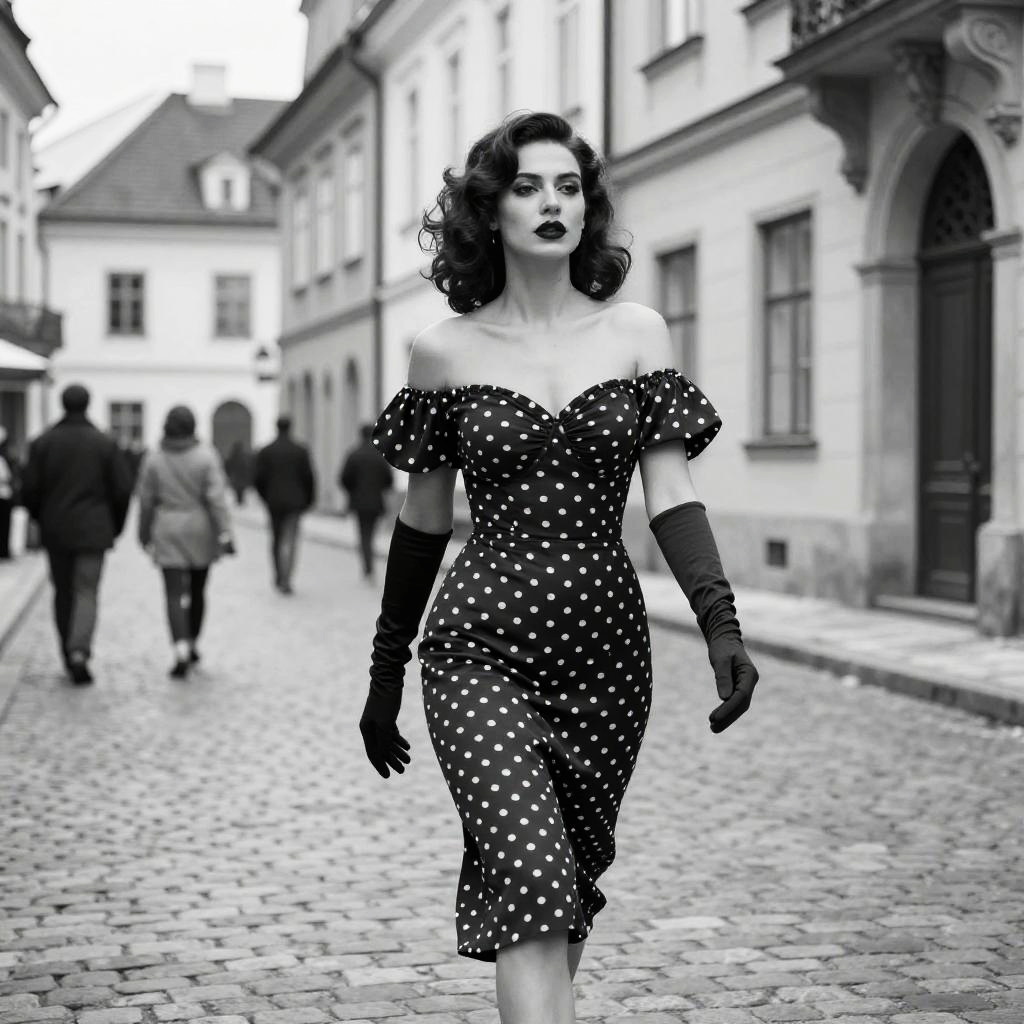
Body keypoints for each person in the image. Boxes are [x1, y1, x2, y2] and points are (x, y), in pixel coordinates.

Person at [360, 112, 759, 1024]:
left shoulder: (636, 332)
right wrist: (389, 671)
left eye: (569, 187)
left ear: (588, 209)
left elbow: (670, 492)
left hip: (606, 660)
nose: (552, 203)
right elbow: (420, 528)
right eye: (529, 186)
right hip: (478, 653)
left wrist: (720, 625)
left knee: (565, 897)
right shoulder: (443, 351)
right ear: (488, 210)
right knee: (535, 882)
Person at [20, 383, 133, 684]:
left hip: (56, 527)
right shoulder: (104, 444)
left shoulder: (43, 443)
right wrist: (115, 525)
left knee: (63, 591)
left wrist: (40, 516)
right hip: (94, 529)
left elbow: (29, 490)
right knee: (86, 591)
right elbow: (123, 490)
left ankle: (66, 652)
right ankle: (79, 649)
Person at [136, 405, 236, 679]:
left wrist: (142, 533)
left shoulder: (155, 458)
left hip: (167, 526)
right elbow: (217, 499)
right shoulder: (206, 456)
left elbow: (145, 501)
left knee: (172, 593)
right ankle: (192, 641)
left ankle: (179, 648)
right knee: (198, 589)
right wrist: (225, 532)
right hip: (199, 527)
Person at [253, 414, 316, 594]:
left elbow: (258, 479)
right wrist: (309, 499)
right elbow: (309, 478)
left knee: (276, 539)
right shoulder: (300, 450)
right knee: (290, 540)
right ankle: (286, 578)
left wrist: (265, 497)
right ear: (290, 427)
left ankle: (279, 575)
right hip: (295, 502)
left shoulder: (266, 451)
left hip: (274, 501)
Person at [338, 423, 394, 579]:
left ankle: (367, 566)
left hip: (359, 501)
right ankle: (369, 564)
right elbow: (389, 480)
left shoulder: (354, 454)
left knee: (363, 534)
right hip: (376, 502)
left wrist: (352, 491)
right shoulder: (380, 456)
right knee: (371, 534)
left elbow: (344, 478)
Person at [0, 426, 16, 559]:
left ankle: (4, 550)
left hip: (5, 495)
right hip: (3, 495)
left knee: (5, 526)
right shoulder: (3, 460)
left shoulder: (4, 459)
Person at [224, 441, 252, 505]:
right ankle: (240, 500)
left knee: (238, 489)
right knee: (240, 489)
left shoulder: (233, 456)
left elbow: (228, 466)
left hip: (236, 477)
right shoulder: (243, 457)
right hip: (239, 477)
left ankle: (239, 500)